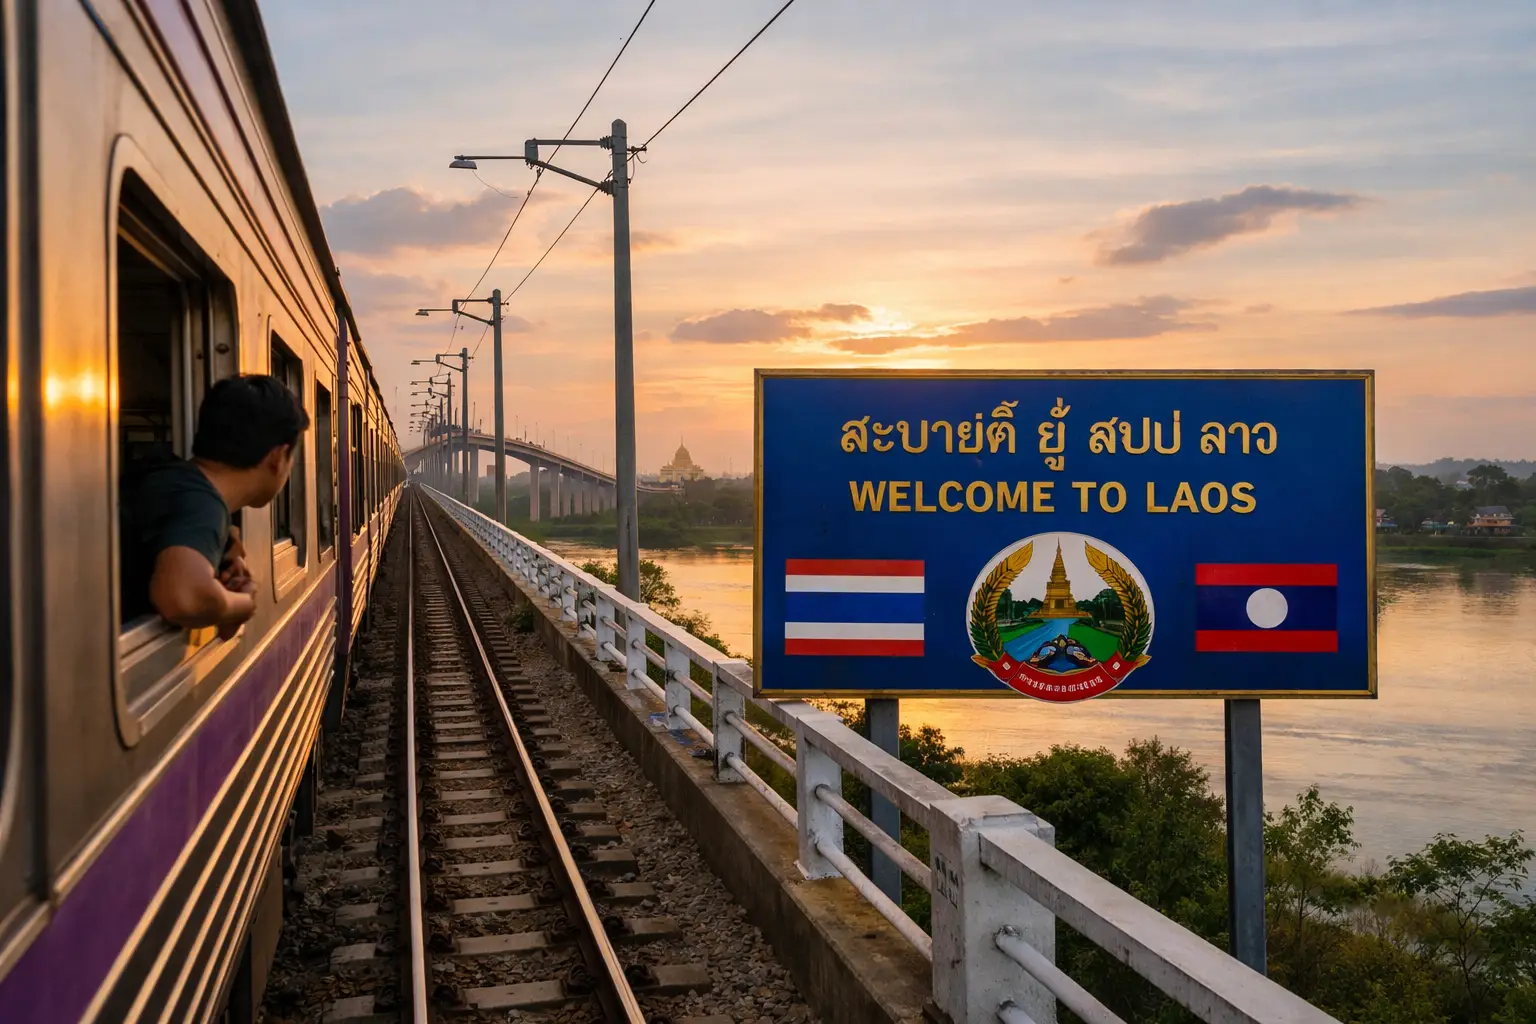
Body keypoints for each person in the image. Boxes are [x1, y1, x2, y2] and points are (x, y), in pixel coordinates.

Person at [120, 374, 310, 639]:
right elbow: (182, 597)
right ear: (277, 457)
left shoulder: (165, 478)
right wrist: (243, 605)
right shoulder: (201, 503)